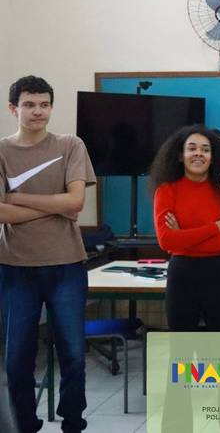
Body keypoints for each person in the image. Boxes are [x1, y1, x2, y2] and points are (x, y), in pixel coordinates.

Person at [0, 75, 96, 433]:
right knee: (16, 359)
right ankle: (26, 425)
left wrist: (18, 198)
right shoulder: (2, 151)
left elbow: (76, 202)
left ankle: (73, 423)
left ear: (51, 107)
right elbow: (0, 213)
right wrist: (56, 206)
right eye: (29, 105)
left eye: (44, 104)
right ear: (13, 108)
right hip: (15, 267)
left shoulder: (70, 145)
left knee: (73, 354)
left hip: (67, 266)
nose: (37, 111)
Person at [150, 124, 220, 331]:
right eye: (191, 148)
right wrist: (214, 227)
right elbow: (166, 241)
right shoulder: (166, 191)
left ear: (213, 158)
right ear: (180, 155)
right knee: (182, 345)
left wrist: (182, 237)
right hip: (181, 274)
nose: (198, 153)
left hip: (217, 273)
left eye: (205, 150)